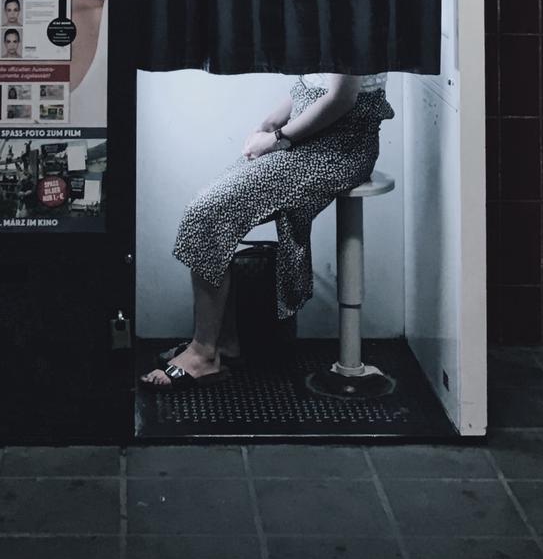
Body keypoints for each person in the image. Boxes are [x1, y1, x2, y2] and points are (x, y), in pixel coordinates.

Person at [141, 72, 393, 389]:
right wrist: (272, 122)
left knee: (207, 214)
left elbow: (341, 98)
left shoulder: (354, 23)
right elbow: (314, 80)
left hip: (339, 147)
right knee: (210, 215)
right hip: (307, 138)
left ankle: (202, 354)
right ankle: (223, 344)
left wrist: (277, 138)